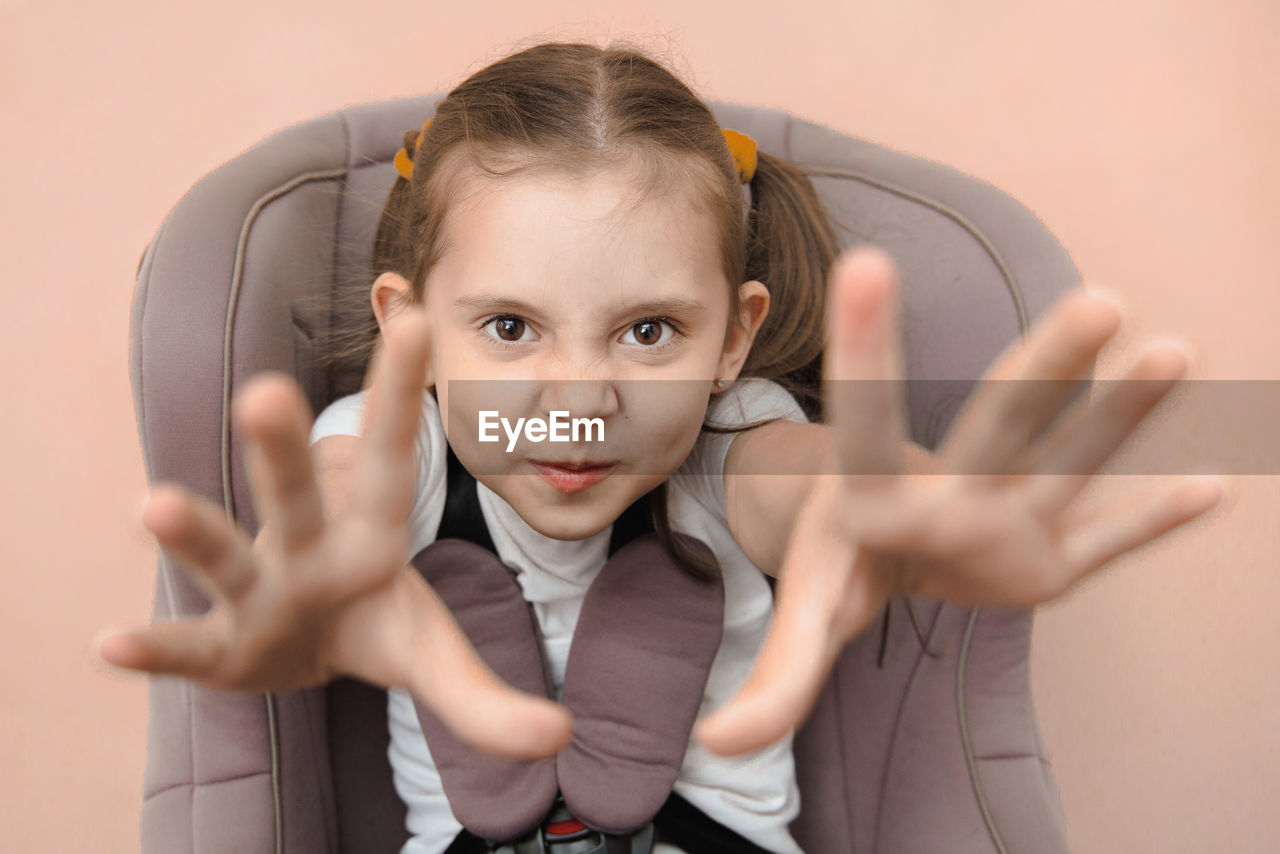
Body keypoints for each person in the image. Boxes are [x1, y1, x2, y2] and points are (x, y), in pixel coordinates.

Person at [95, 40, 1228, 854]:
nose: (581, 396)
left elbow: (813, 489)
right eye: (507, 327)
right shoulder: (401, 451)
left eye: (648, 332)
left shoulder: (726, 444)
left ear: (731, 339)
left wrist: (908, 503)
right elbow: (343, 509)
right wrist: (317, 567)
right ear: (410, 331)